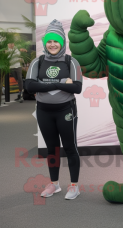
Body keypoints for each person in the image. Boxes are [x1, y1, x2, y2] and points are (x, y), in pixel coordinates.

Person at [24, 19, 83, 200]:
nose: (52, 44)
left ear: (62, 42)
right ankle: (55, 184)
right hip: (44, 112)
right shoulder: (38, 62)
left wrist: (42, 84)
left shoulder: (71, 61)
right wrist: (61, 83)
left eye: (56, 40)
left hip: (66, 111)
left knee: (70, 148)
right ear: (44, 43)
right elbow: (29, 86)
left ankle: (74, 186)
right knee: (52, 149)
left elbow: (77, 88)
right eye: (49, 41)